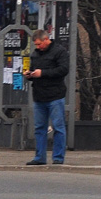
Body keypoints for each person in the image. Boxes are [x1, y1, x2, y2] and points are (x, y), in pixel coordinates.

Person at [24, 29, 68, 165]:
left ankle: (58, 158)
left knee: (58, 127)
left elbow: (63, 70)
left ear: (46, 40)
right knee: (39, 128)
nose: (38, 47)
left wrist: (42, 73)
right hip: (39, 96)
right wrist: (29, 74)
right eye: (36, 45)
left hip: (55, 95)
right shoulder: (35, 54)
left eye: (39, 44)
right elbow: (34, 71)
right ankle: (39, 157)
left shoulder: (60, 52)